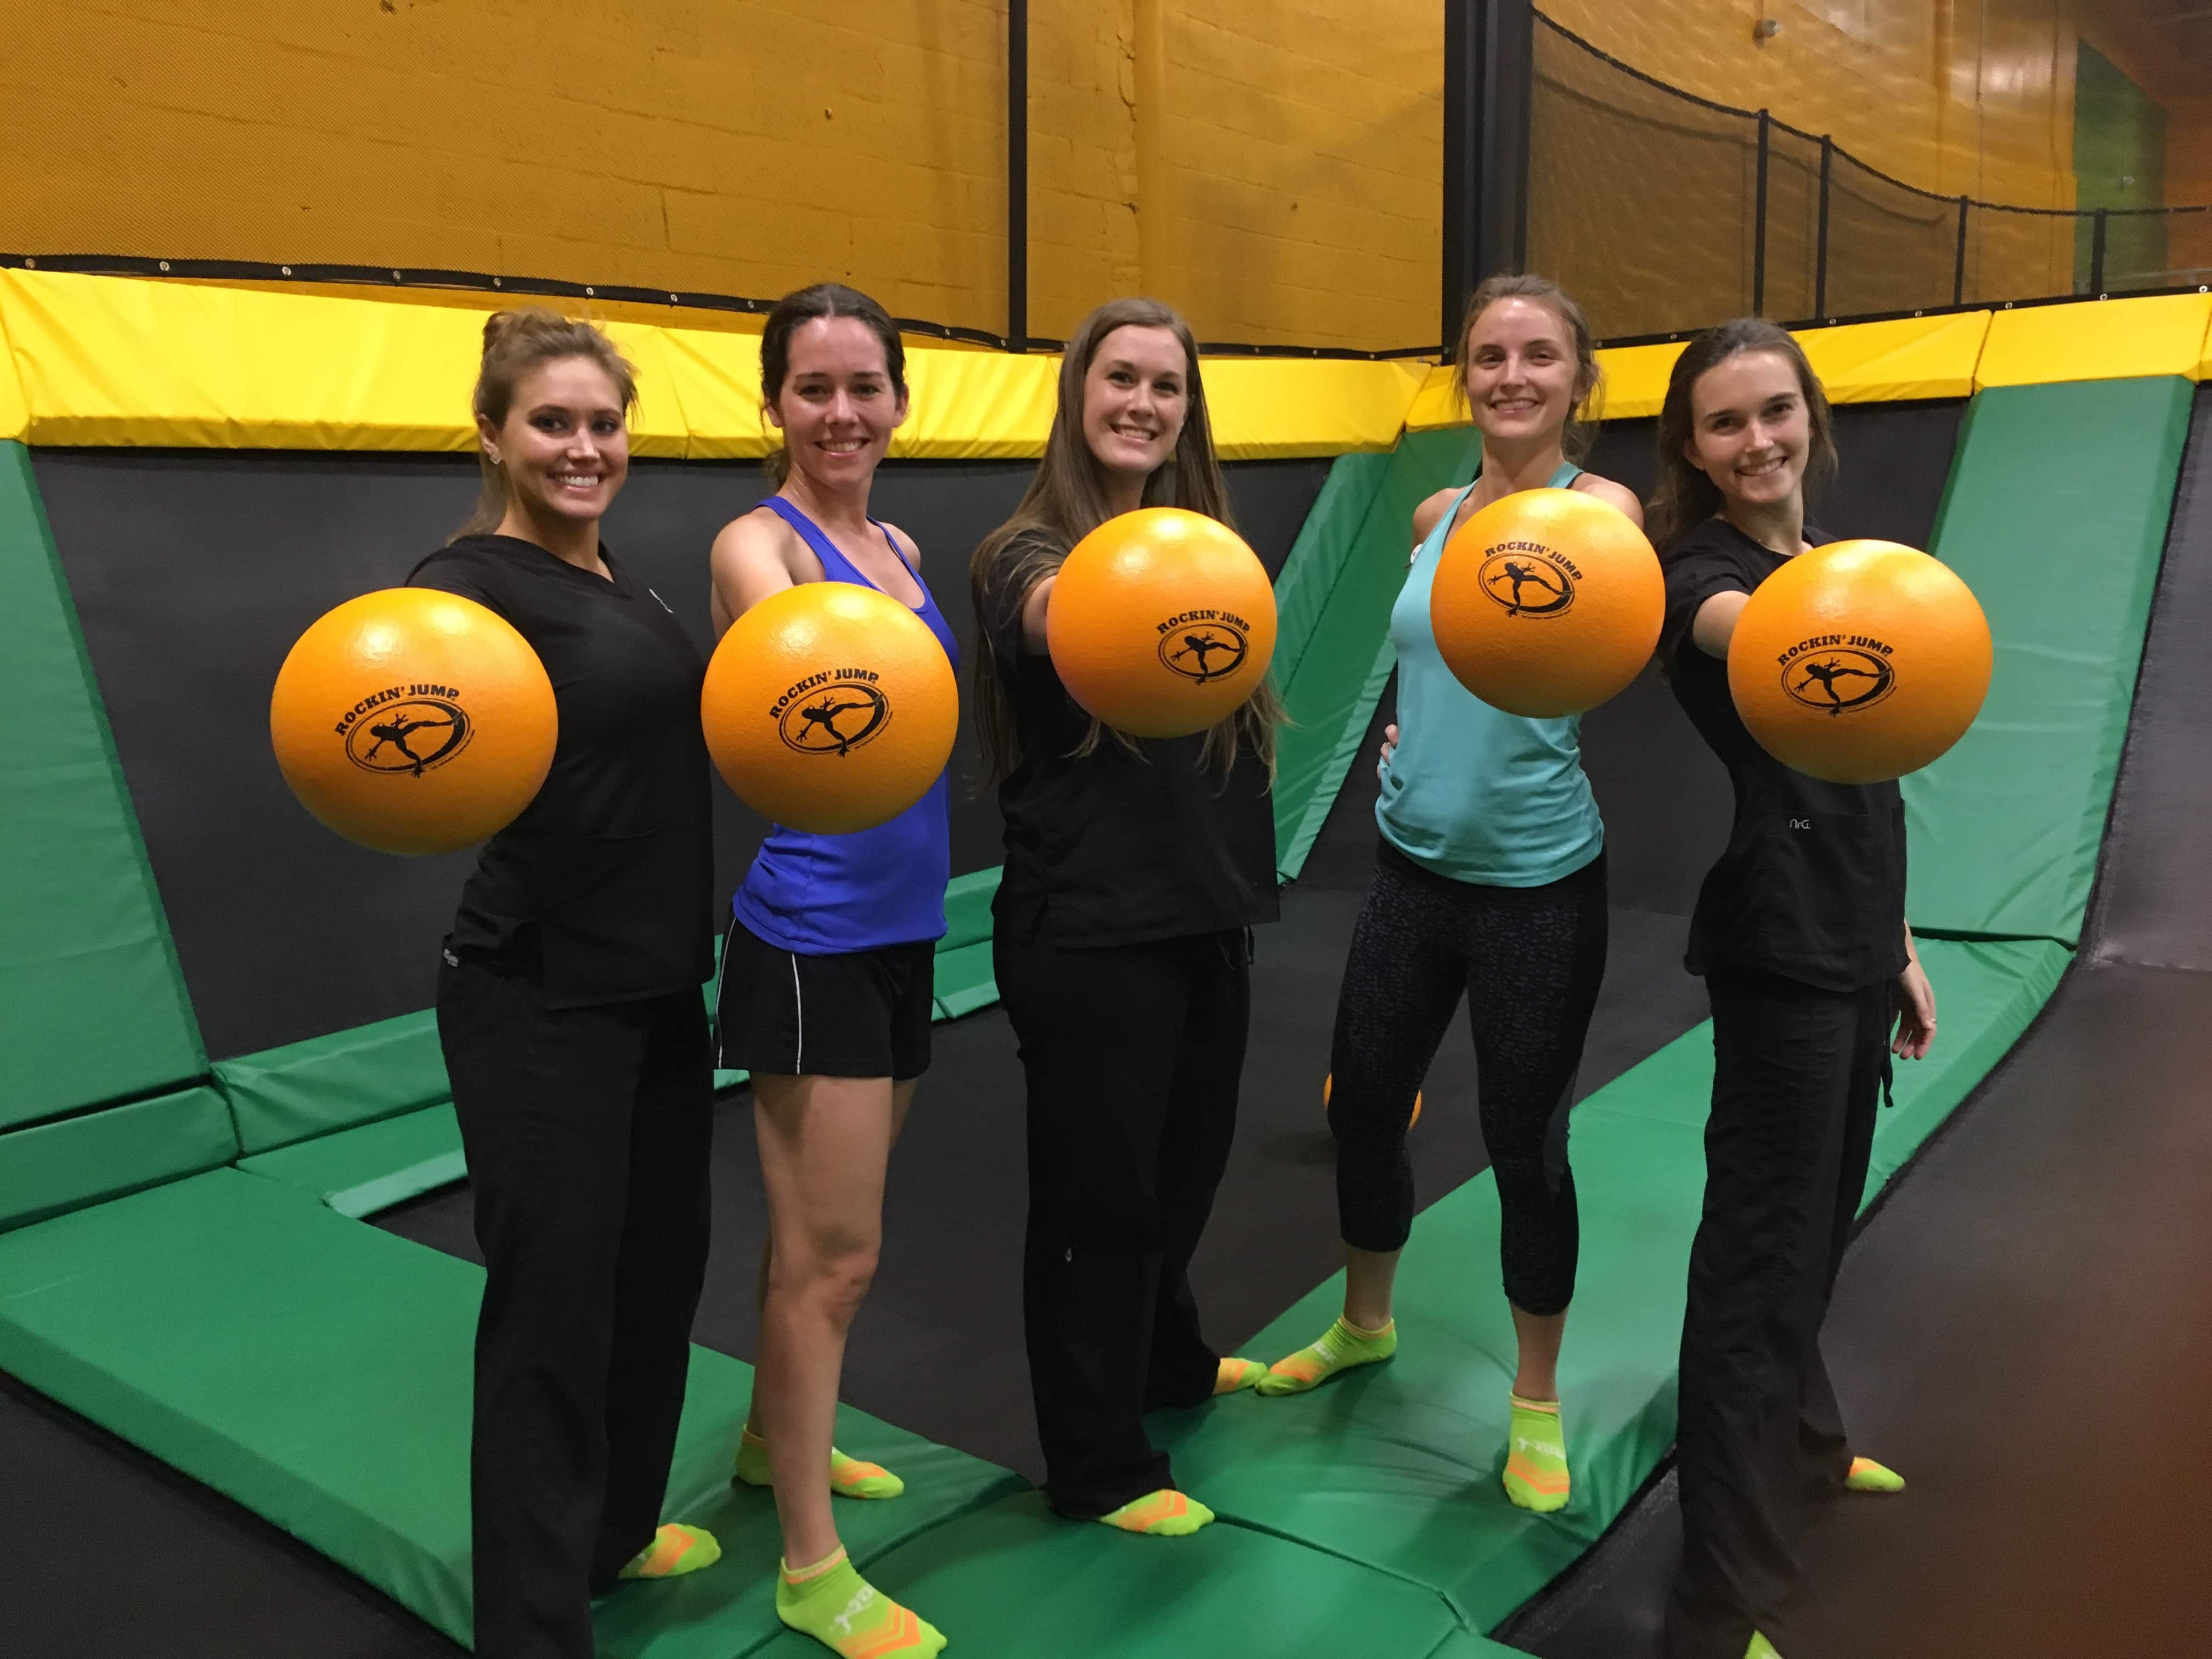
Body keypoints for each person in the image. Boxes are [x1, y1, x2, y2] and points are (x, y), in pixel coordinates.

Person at [1256, 275, 1643, 1520]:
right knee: (1367, 1103)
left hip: (1537, 885)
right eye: (1489, 356)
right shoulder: (1433, 513)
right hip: (1411, 869)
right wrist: (1401, 744)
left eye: (1539, 355)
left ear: (1577, 379)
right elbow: (1430, 665)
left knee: (1525, 1143)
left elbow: (1592, 651)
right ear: (1464, 373)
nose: (1512, 377)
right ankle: (1365, 1321)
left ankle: (1535, 1399)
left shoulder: (1603, 512)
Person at [411, 310, 720, 1659]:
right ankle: (531, 1634)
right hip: (537, 995)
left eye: (603, 423)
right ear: (493, 434)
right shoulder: (469, 585)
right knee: (551, 1312)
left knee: (659, 1281)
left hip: (657, 990)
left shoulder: (625, 586)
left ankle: (609, 1538)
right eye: (552, 422)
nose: (583, 446)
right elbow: (393, 713)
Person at [969, 297, 1280, 1537]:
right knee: (1099, 1204)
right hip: (1088, 930)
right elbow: (1057, 621)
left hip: (1204, 912)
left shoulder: (1207, 549)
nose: (1144, 403)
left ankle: (1171, 1363)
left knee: (1184, 1175)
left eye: (1167, 384)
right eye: (1122, 380)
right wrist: (1157, 583)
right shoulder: (1023, 555)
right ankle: (1095, 1462)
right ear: (1078, 395)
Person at [1649, 319, 1930, 1659]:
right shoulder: (1702, 574)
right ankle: (1717, 1604)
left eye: (1775, 412)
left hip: (1854, 936)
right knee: (1756, 1265)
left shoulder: (1825, 568)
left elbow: (1864, 778)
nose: (1757, 441)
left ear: (1811, 414)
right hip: (1779, 948)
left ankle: (1807, 1450)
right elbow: (1732, 631)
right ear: (1693, 452)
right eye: (1725, 424)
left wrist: (1903, 945)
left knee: (1818, 1228)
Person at [706, 282, 955, 1659]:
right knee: (835, 1262)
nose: (843, 413)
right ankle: (811, 1567)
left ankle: (763, 1445)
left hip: (904, 927)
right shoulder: (762, 545)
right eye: (815, 389)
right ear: (775, 404)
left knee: (815, 1240)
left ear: (900, 402)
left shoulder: (901, 538)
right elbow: (788, 671)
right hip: (814, 937)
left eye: (867, 387)